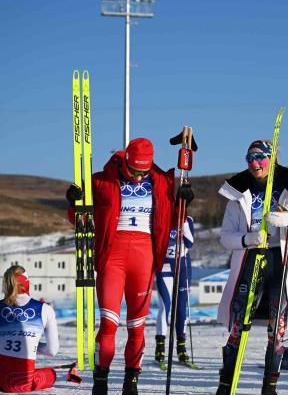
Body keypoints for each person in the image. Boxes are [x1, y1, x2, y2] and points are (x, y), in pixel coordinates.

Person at [65, 137, 193, 395]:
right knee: (109, 324)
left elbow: (174, 221)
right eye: (134, 170)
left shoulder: (162, 183)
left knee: (137, 327)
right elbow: (80, 221)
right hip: (113, 256)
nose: (137, 176)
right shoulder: (102, 180)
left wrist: (184, 201)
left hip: (144, 257)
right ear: (125, 161)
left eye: (143, 171)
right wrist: (74, 203)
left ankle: (131, 381)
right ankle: (101, 380)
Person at [215, 140, 288, 395]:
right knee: (238, 325)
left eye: (261, 157)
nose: (255, 163)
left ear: (272, 159)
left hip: (281, 261)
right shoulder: (238, 194)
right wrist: (247, 240)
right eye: (250, 158)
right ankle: (225, 385)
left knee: (278, 329)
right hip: (251, 259)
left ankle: (270, 387)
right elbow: (224, 236)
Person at [155, 215, 195, 366]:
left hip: (183, 266)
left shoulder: (188, 219)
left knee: (182, 308)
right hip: (164, 265)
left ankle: (181, 346)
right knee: (165, 306)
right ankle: (160, 346)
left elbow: (190, 243)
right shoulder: (161, 216)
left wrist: (183, 223)